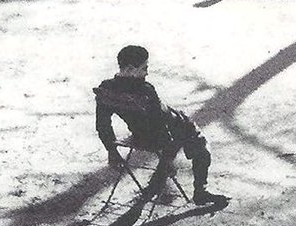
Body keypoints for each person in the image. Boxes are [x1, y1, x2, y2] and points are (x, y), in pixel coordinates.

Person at [94, 45, 224, 206]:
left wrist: (111, 150)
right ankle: (200, 191)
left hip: (140, 134)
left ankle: (155, 185)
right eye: (144, 68)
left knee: (182, 127)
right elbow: (161, 126)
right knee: (201, 146)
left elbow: (102, 124)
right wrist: (168, 159)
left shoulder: (106, 88)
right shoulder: (145, 90)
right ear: (130, 69)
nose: (147, 73)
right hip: (169, 129)